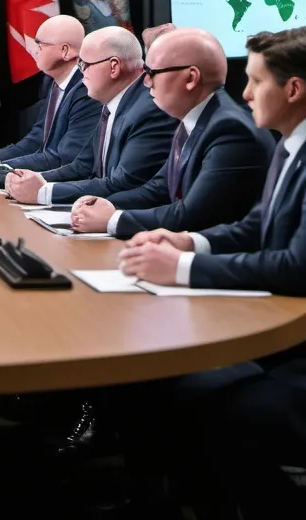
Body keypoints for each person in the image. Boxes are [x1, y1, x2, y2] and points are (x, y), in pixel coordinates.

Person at [117, 27, 306, 516]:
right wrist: (188, 241)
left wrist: (180, 267)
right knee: (157, 381)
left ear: (293, 89)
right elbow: (257, 226)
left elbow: (295, 267)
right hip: (279, 330)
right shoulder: (289, 146)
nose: (243, 92)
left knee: (206, 400)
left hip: (295, 351)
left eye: (256, 80)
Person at [70, 27, 271, 235]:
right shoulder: (193, 118)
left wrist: (113, 220)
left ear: (191, 78)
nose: (146, 82)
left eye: (151, 72)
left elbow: (191, 215)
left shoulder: (230, 130)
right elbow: (158, 189)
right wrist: (103, 206)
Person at [5, 26, 176, 205]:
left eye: (84, 65)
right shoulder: (112, 101)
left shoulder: (149, 110)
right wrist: (30, 180)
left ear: (114, 67)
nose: (81, 73)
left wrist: (43, 192)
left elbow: (123, 184)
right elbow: (83, 166)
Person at [0, 14, 99, 177]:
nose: (34, 50)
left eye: (41, 44)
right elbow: (36, 141)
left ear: (65, 51)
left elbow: (64, 158)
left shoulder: (87, 92)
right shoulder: (51, 82)